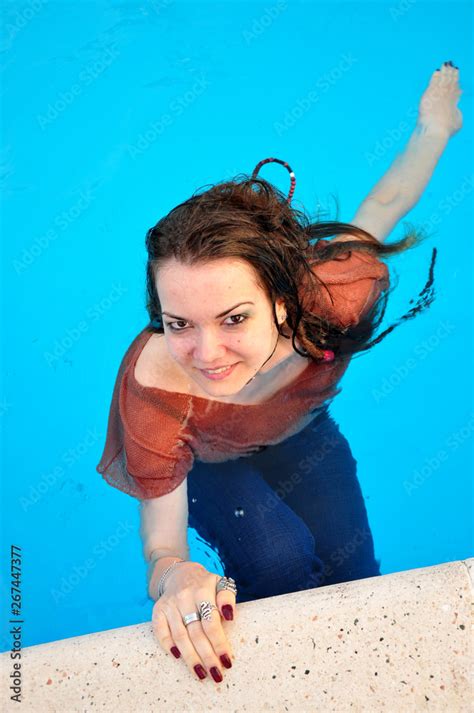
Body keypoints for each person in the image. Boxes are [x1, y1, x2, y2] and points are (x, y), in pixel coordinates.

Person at [96, 61, 462, 684]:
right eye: (178, 322)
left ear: (285, 301)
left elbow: (386, 203)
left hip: (305, 440)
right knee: (278, 567)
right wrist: (176, 574)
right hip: (211, 466)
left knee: (358, 584)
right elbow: (162, 546)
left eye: (234, 318)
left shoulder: (338, 294)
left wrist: (433, 130)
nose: (206, 354)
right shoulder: (154, 392)